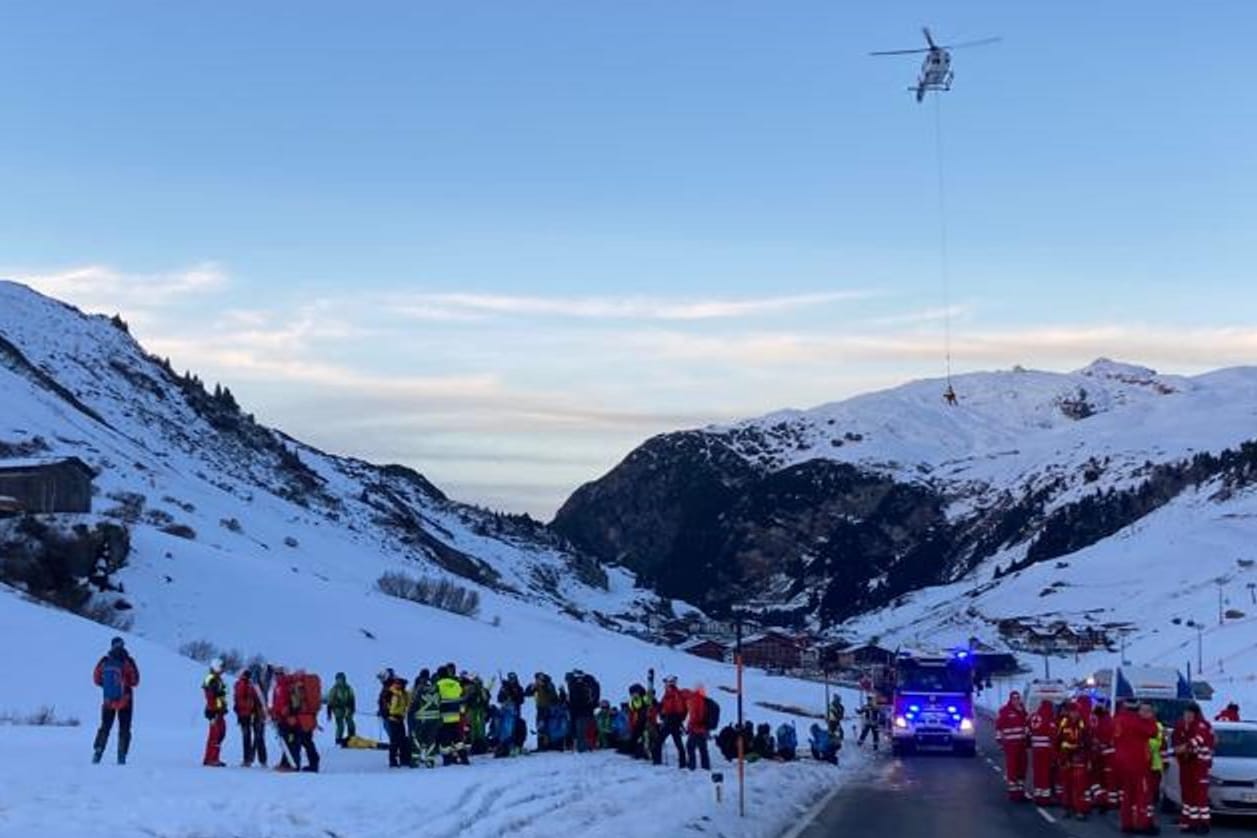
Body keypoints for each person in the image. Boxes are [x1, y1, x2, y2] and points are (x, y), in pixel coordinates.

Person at [92, 636, 140, 765]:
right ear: (123, 645)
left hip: (108, 700)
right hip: (126, 700)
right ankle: (121, 756)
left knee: (105, 727)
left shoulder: (105, 661)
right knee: (124, 728)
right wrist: (125, 685)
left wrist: (107, 686)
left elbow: (96, 679)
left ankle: (98, 752)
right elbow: (135, 681)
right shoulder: (128, 661)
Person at [1113, 699, 1158, 835]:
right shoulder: (1137, 721)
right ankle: (1142, 824)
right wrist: (1150, 718)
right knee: (1142, 796)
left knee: (1128, 796)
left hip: (1121, 763)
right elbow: (1153, 732)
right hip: (1138, 764)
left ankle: (1127, 824)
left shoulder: (1117, 719)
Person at [1172, 702, 1215, 835]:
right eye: (1185, 713)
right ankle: (1190, 822)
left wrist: (1185, 746)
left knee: (1200, 797)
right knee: (1188, 796)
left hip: (1200, 766)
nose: (1187, 716)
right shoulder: (1182, 725)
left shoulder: (1202, 725)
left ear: (1196, 714)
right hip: (1187, 765)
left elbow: (1199, 739)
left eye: (1190, 714)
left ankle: (1204, 824)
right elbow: (1175, 739)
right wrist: (1178, 749)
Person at [1057, 702, 1091, 821]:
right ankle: (1067, 808)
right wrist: (1059, 756)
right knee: (1067, 785)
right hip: (1066, 758)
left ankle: (1080, 810)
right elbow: (1058, 739)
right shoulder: (1064, 722)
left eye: (1076, 712)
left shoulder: (1082, 724)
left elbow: (1087, 742)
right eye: (1072, 712)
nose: (1074, 714)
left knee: (1079, 786)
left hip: (1079, 757)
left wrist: (1085, 756)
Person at [995, 690, 1030, 802]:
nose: (1016, 700)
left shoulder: (1022, 711)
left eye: (1018, 698)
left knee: (1022, 768)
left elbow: (1026, 726)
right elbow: (999, 727)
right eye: (1014, 698)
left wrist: (1028, 739)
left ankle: (1020, 791)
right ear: (1010, 699)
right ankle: (1013, 793)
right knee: (1012, 769)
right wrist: (1000, 742)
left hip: (1021, 745)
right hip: (1011, 745)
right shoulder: (1005, 711)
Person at [287, 669, 321, 773]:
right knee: (308, 742)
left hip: (302, 718)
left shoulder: (298, 687)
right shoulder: (309, 686)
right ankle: (314, 763)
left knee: (302, 742)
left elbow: (296, 704)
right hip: (310, 718)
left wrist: (291, 711)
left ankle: (309, 763)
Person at [233, 667, 268, 766]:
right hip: (251, 714)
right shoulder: (250, 685)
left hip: (246, 715)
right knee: (257, 737)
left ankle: (249, 760)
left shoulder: (242, 685)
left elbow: (239, 701)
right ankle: (260, 760)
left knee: (249, 737)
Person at [436, 664, 469, 765]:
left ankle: (447, 760)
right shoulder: (455, 683)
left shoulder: (437, 685)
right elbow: (461, 696)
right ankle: (464, 758)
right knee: (458, 740)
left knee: (445, 742)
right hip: (456, 716)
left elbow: (435, 700)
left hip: (444, 717)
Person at [1028, 699, 1058, 806]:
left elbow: (1028, 730)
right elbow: (1053, 738)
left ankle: (1037, 795)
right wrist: (1055, 755)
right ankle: (1045, 798)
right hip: (1045, 751)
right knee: (1045, 774)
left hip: (1035, 750)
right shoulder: (1049, 720)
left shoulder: (1033, 717)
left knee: (1037, 773)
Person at [409, 669, 441, 767]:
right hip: (434, 718)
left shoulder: (418, 689)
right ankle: (430, 760)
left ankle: (415, 760)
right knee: (431, 740)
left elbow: (413, 702)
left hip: (421, 718)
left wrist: (411, 714)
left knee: (416, 739)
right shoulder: (435, 689)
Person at [565, 670, 600, 753]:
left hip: (583, 711)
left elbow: (579, 699)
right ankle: (581, 746)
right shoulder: (575, 685)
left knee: (583, 729)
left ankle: (584, 747)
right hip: (579, 711)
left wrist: (591, 704)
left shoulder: (583, 685)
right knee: (579, 729)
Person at [202, 658, 228, 767]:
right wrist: (213, 710)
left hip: (219, 711)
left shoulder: (217, 679)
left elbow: (221, 695)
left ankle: (211, 758)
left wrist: (223, 706)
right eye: (221, 667)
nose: (223, 669)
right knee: (216, 735)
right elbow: (210, 696)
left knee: (219, 733)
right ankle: (211, 759)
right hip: (215, 711)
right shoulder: (212, 679)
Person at [1146, 704, 1169, 831]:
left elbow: (1162, 746)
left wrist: (1164, 762)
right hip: (1145, 764)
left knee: (1150, 794)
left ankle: (1147, 818)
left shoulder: (1158, 727)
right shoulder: (1143, 725)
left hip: (1154, 765)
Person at [1091, 704, 1117, 812]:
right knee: (1110, 780)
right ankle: (1110, 800)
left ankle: (1105, 800)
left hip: (1106, 755)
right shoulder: (1110, 720)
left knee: (1103, 779)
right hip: (1111, 755)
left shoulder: (1102, 722)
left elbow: (1100, 739)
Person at [657, 676, 688, 767]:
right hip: (671, 721)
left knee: (660, 741)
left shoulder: (674, 694)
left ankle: (657, 761)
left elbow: (679, 709)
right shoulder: (667, 694)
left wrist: (666, 715)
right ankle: (682, 763)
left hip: (672, 721)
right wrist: (661, 711)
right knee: (677, 742)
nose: (665, 685)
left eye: (667, 683)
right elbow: (663, 706)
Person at [524, 672, 557, 751]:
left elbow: (554, 697)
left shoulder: (549, 685)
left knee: (546, 727)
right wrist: (532, 687)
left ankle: (547, 745)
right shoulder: (536, 686)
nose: (538, 681)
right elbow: (527, 694)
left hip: (548, 709)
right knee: (541, 727)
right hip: (540, 708)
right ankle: (542, 745)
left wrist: (545, 686)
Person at [684, 686, 712, 771]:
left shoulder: (696, 702)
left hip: (696, 729)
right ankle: (706, 766)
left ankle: (692, 766)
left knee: (690, 747)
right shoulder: (704, 701)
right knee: (703, 748)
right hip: (703, 729)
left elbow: (695, 717)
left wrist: (690, 727)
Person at [385, 674, 410, 768]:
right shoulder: (394, 693)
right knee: (394, 741)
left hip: (400, 719)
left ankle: (404, 759)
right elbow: (391, 708)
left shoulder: (402, 693)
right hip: (394, 719)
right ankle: (393, 761)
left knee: (402, 739)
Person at [326, 672, 356, 747]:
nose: (339, 681)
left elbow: (352, 699)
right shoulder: (334, 689)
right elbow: (330, 701)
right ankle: (338, 740)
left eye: (341, 679)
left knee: (350, 723)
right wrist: (329, 713)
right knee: (340, 725)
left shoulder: (348, 688)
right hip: (337, 709)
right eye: (338, 679)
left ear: (344, 679)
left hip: (347, 708)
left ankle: (351, 737)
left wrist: (352, 708)